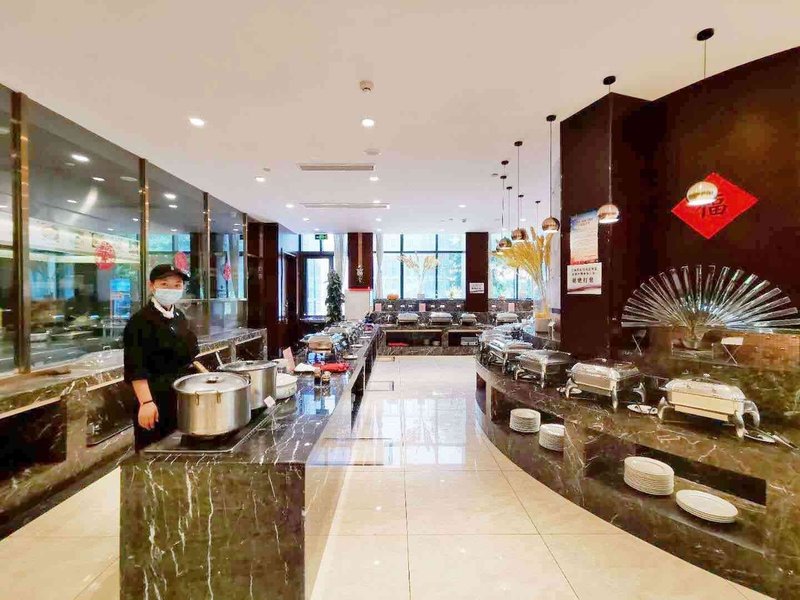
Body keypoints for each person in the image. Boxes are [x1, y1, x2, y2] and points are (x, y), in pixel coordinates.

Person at [123, 265, 199, 450]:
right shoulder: (140, 321)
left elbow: (189, 353)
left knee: (179, 449)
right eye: (165, 284)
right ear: (152, 286)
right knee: (154, 451)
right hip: (155, 398)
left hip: (179, 396)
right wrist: (146, 403)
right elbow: (136, 366)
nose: (171, 290)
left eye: (177, 285)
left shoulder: (179, 316)